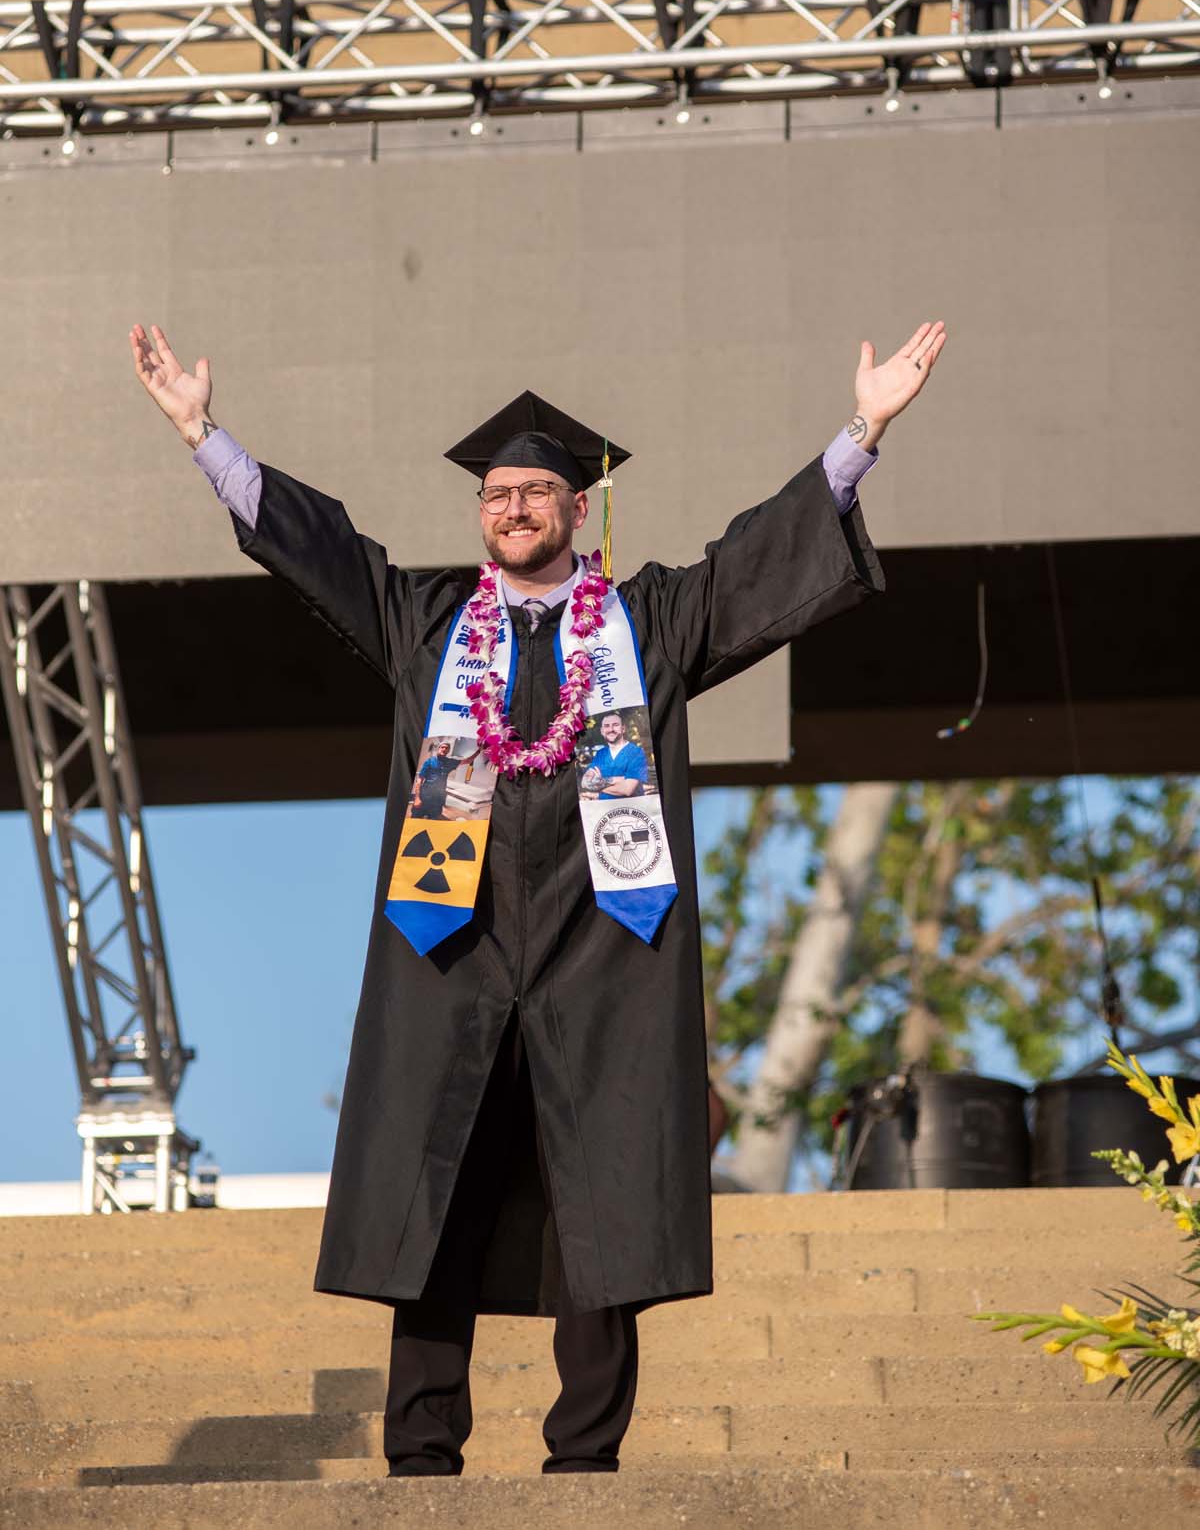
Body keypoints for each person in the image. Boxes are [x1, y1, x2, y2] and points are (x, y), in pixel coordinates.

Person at [129, 317, 946, 1477]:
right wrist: (204, 432)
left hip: (602, 946)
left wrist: (864, 428)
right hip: (448, 945)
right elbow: (324, 548)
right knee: (435, 1189)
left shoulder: (646, 624)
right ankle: (421, 1455)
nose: (512, 508)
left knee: (600, 1195)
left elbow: (757, 558)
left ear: (577, 507)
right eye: (496, 494)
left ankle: (584, 1460)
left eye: (535, 493)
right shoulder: (427, 627)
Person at [580, 710, 648, 799]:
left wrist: (598, 784)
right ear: (602, 731)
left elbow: (627, 789)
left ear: (623, 729)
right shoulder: (601, 754)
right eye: (607, 726)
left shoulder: (636, 753)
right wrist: (620, 780)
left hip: (630, 808)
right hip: (605, 808)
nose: (611, 729)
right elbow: (585, 783)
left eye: (615, 725)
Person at [411, 740, 471, 820]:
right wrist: (417, 798)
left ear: (448, 751)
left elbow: (467, 761)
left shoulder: (449, 762)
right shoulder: (429, 761)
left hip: (438, 798)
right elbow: (419, 780)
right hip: (425, 795)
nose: (444, 749)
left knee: (433, 820)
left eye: (447, 748)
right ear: (438, 748)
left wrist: (479, 751)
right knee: (415, 818)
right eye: (442, 747)